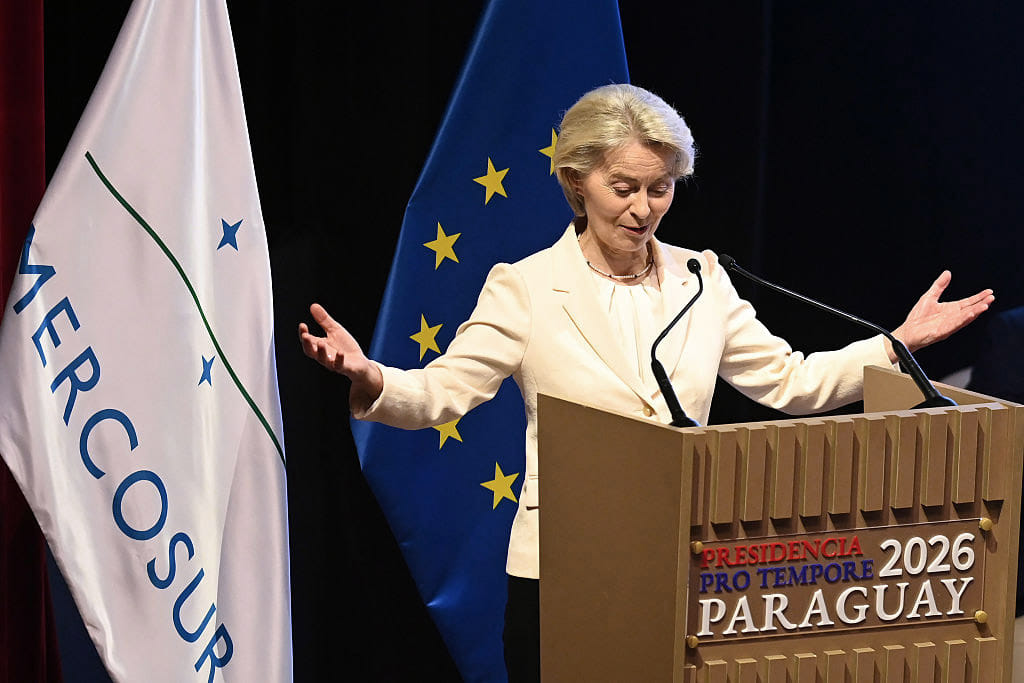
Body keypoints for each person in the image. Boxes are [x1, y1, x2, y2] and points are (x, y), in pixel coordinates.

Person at [298, 84, 994, 682]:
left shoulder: (703, 278)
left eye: (659, 188)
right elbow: (443, 390)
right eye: (622, 187)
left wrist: (898, 344)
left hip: (684, 560)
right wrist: (374, 376)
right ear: (577, 182)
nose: (643, 207)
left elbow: (791, 381)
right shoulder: (528, 287)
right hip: (561, 571)